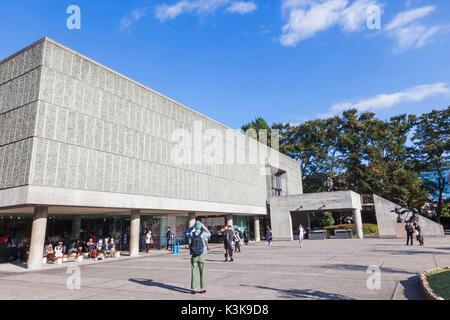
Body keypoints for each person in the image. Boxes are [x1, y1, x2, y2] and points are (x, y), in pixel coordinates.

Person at [186, 221, 211, 294]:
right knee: (202, 272)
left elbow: (186, 233)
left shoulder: (191, 234)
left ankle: (193, 289)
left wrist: (192, 227)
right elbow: (210, 233)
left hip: (194, 255)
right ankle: (203, 288)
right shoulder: (203, 234)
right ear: (200, 227)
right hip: (202, 254)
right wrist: (204, 227)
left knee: (193, 272)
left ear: (195, 227)